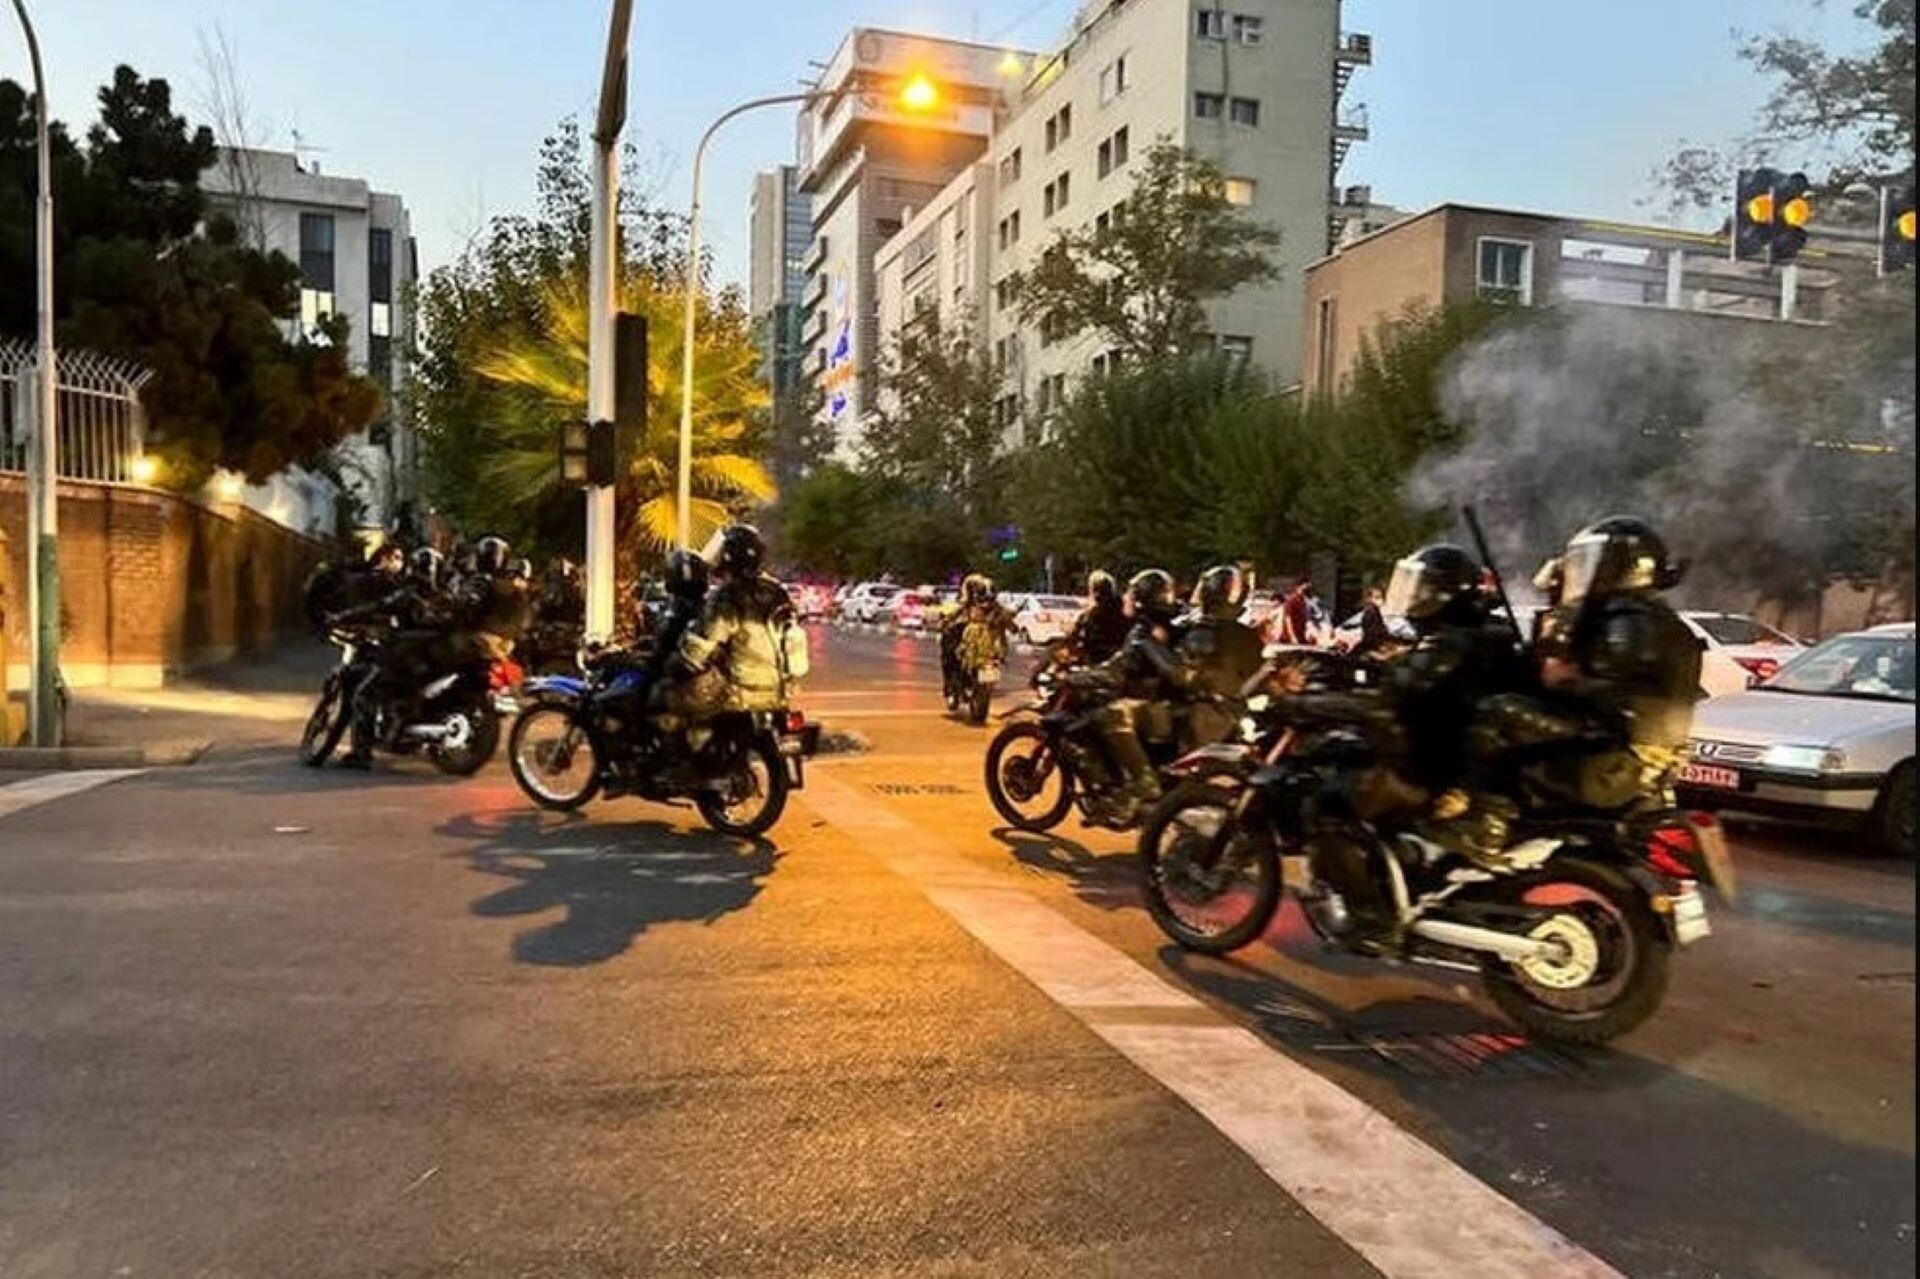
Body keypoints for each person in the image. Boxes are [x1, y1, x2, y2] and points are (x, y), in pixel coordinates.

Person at [1479, 515, 1704, 813]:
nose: (1579, 572)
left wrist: (1566, 680)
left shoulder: (1627, 621)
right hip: (1643, 758)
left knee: (1496, 713)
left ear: (1616, 567)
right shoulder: (1654, 618)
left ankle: (1482, 817)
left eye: (1589, 561)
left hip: (1615, 761)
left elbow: (1619, 701)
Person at [1083, 568, 1195, 814]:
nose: (1126, 598)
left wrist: (1076, 677)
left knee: (1108, 715)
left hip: (1156, 708)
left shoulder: (1143, 632)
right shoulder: (1175, 623)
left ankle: (1142, 781)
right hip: (1178, 707)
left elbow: (1115, 671)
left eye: (1132, 594)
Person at [671, 524, 796, 717]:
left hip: (738, 693)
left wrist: (679, 662)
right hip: (778, 692)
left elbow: (705, 641)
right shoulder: (777, 593)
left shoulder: (727, 596)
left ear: (727, 557)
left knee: (667, 699)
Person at [1178, 564, 1266, 743]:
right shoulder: (1240, 635)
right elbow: (1257, 676)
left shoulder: (1181, 627)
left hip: (1185, 715)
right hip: (1224, 718)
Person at [939, 574, 1014, 701]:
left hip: (984, 647)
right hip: (978, 643)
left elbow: (1007, 621)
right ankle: (959, 686)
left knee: (958, 656)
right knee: (955, 657)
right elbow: (953, 615)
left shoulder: (993, 610)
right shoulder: (970, 608)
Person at [1062, 569, 1131, 666]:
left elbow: (1076, 634)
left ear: (1092, 590)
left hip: (1098, 658)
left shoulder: (1093, 613)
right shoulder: (1125, 608)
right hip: (1121, 655)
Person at [1274, 573, 1318, 646]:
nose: (1308, 587)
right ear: (1299, 586)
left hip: (1300, 636)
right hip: (1290, 639)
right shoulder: (1291, 600)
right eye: (1306, 584)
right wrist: (1293, 637)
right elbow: (1288, 620)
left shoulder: (1303, 601)